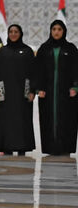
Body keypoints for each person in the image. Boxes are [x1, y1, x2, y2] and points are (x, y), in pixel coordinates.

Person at [33, 19, 77, 156]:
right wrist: (38, 88)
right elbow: (37, 70)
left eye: (59, 29)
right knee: (48, 118)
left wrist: (75, 87)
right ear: (50, 31)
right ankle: (50, 147)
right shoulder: (44, 49)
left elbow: (76, 69)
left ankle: (65, 146)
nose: (56, 32)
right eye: (54, 29)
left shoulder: (70, 49)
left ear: (64, 31)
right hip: (48, 92)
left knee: (67, 119)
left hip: (67, 93)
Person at [0, 24, 35, 155]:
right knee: (6, 120)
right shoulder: (2, 52)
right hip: (5, 93)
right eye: (11, 31)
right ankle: (6, 147)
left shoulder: (27, 51)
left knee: (22, 120)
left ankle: (22, 147)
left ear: (20, 33)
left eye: (16, 31)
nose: (13, 34)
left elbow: (33, 72)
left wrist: (32, 91)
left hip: (23, 93)